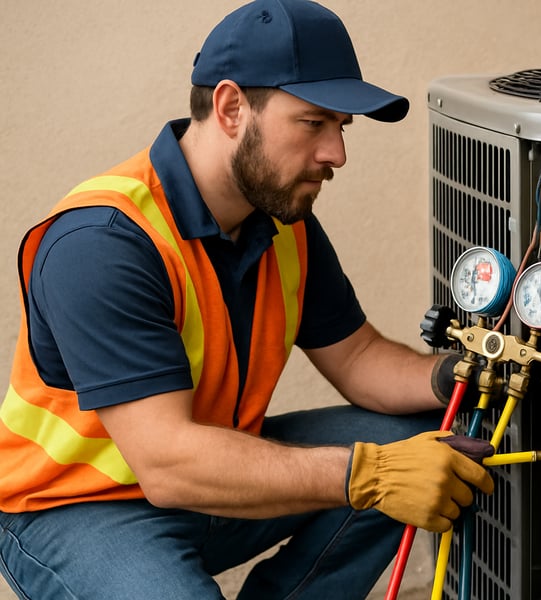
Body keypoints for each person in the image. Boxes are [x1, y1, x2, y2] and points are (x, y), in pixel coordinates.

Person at [0, 1, 494, 598]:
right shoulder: (102, 242)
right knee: (386, 464)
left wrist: (461, 373)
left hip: (210, 482)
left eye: (342, 127)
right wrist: (368, 474)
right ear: (232, 107)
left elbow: (360, 359)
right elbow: (166, 461)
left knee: (425, 437)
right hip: (74, 508)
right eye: (314, 123)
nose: (337, 154)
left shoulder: (282, 222)